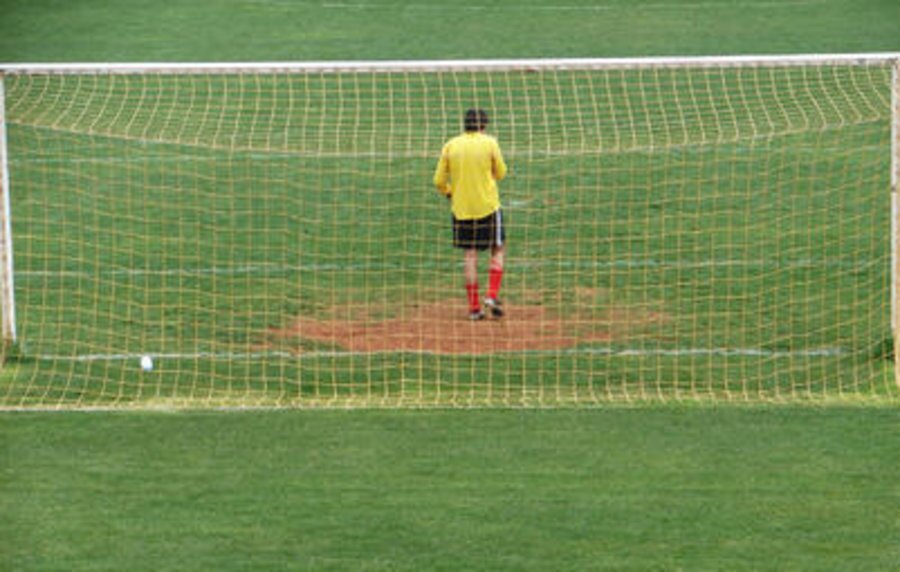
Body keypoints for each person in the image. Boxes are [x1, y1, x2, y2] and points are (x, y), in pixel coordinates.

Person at [433, 108, 508, 320]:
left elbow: (438, 181)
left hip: (462, 210)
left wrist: (449, 193)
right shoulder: (489, 143)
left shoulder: (451, 145)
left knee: (470, 255)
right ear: (483, 126)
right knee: (498, 247)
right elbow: (501, 173)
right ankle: (492, 295)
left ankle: (474, 308)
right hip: (488, 207)